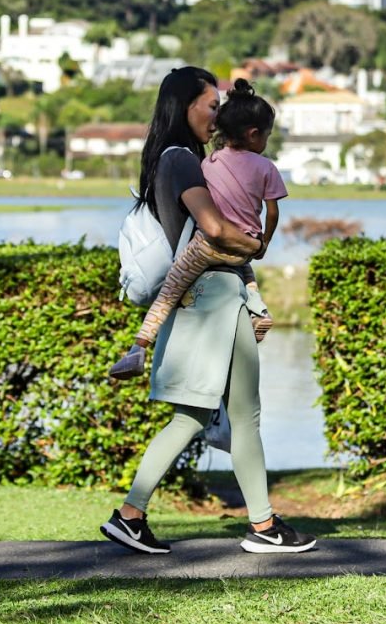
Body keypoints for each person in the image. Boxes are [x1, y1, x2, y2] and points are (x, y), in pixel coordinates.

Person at [100, 66, 315, 555]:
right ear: (185, 107)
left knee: (201, 415)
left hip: (209, 296)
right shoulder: (180, 160)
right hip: (215, 296)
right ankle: (259, 527)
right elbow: (215, 228)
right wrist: (254, 245)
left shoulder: (192, 159)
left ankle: (134, 517)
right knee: (237, 414)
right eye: (210, 105)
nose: (217, 115)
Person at [109, 79, 283, 381]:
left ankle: (138, 348)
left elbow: (212, 226)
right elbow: (273, 211)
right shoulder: (265, 167)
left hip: (207, 249)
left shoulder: (206, 163)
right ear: (255, 134)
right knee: (247, 275)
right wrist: (261, 243)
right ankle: (260, 312)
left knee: (170, 290)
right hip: (243, 247)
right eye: (211, 106)